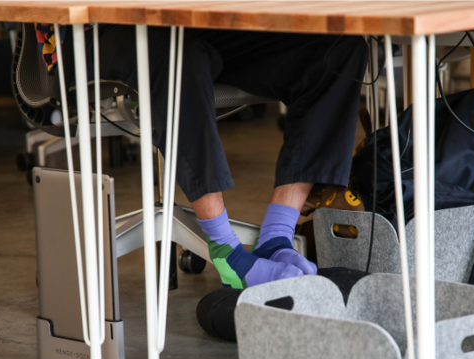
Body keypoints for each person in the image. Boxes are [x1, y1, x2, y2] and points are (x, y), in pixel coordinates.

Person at [37, 24, 369, 289]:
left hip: (203, 21)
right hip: (97, 28)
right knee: (177, 52)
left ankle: (275, 235)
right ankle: (225, 250)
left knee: (339, 49)